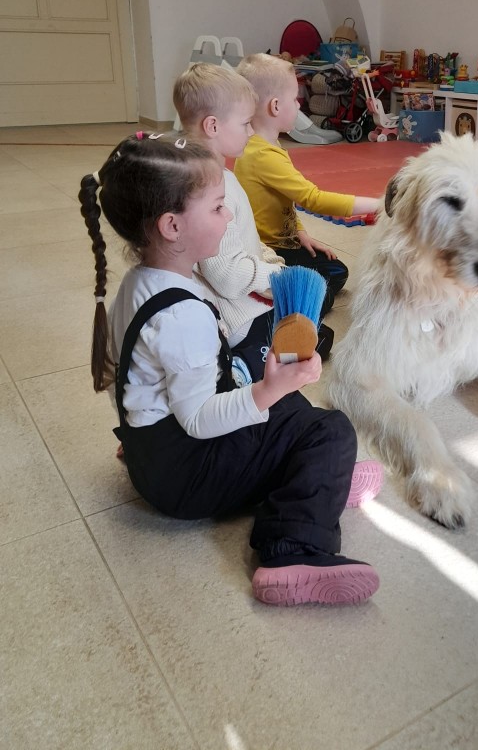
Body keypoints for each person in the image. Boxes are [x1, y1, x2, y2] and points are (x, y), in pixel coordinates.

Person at [78, 133, 380, 606]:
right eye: (219, 207)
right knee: (331, 429)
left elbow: (137, 379)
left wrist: (146, 438)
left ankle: (318, 477)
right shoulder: (184, 316)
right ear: (172, 226)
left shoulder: (139, 282)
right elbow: (200, 420)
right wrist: (267, 390)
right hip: (186, 482)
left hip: (153, 460)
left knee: (288, 406)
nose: (231, 216)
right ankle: (293, 550)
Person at [172, 62, 333, 371]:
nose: (250, 131)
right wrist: (276, 277)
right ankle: (243, 367)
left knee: (317, 320)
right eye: (246, 123)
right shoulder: (212, 189)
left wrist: (270, 261)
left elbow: (243, 242)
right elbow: (226, 275)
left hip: (245, 293)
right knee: (316, 337)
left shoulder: (210, 175)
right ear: (213, 126)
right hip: (240, 318)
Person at [234, 53, 381, 316]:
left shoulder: (265, 144)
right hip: (268, 250)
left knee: (337, 271)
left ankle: (290, 287)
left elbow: (287, 201)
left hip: (286, 241)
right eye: (295, 99)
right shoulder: (262, 155)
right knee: (322, 297)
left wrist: (301, 234)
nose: (299, 105)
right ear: (275, 106)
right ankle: (271, 298)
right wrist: (379, 204)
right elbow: (313, 199)